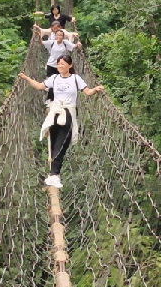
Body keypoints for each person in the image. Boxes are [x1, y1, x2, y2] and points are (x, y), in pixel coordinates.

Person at [18, 53, 103, 187]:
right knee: (53, 142)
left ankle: (54, 174)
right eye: (58, 64)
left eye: (62, 63)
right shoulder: (54, 78)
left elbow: (87, 92)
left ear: (70, 65)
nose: (60, 66)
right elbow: (40, 86)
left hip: (68, 112)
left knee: (62, 143)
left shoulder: (76, 79)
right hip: (55, 112)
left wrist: (95, 90)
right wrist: (27, 78)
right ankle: (53, 173)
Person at [33, 21, 78, 97]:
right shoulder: (52, 42)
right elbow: (41, 43)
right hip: (51, 65)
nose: (59, 36)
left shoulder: (65, 42)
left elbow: (74, 46)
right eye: (58, 35)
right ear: (55, 36)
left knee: (59, 83)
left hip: (60, 66)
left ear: (63, 36)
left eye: (61, 35)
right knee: (51, 83)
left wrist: (78, 44)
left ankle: (59, 98)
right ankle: (50, 101)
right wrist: (39, 36)